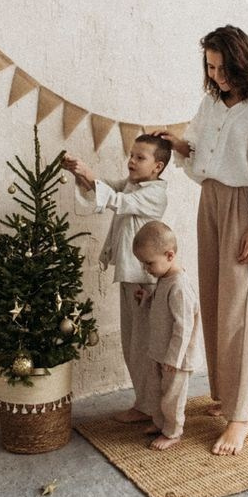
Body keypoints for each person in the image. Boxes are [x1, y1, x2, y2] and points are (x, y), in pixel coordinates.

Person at [157, 25, 248, 455]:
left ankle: (238, 419)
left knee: (239, 308)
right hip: (211, 201)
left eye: (222, 68)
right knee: (217, 302)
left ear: (242, 61)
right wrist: (178, 145)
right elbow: (202, 151)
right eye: (210, 68)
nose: (216, 76)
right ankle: (242, 395)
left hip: (243, 205)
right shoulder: (213, 101)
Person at [61, 134, 171, 423]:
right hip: (129, 275)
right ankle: (145, 403)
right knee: (131, 343)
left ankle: (152, 406)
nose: (131, 161)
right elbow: (106, 188)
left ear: (158, 167)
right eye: (131, 155)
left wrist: (88, 175)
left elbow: (117, 201)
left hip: (144, 279)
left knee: (143, 345)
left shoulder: (155, 194)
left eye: (140, 157)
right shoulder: (133, 184)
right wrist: (80, 173)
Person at [132, 221, 200, 450]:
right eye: (143, 263)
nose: (146, 269)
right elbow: (162, 307)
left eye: (149, 263)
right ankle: (160, 423)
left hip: (175, 358)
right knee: (156, 390)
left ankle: (173, 432)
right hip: (159, 351)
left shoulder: (179, 286)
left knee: (172, 396)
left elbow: (184, 326)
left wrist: (174, 358)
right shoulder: (163, 279)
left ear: (170, 255)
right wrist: (147, 298)